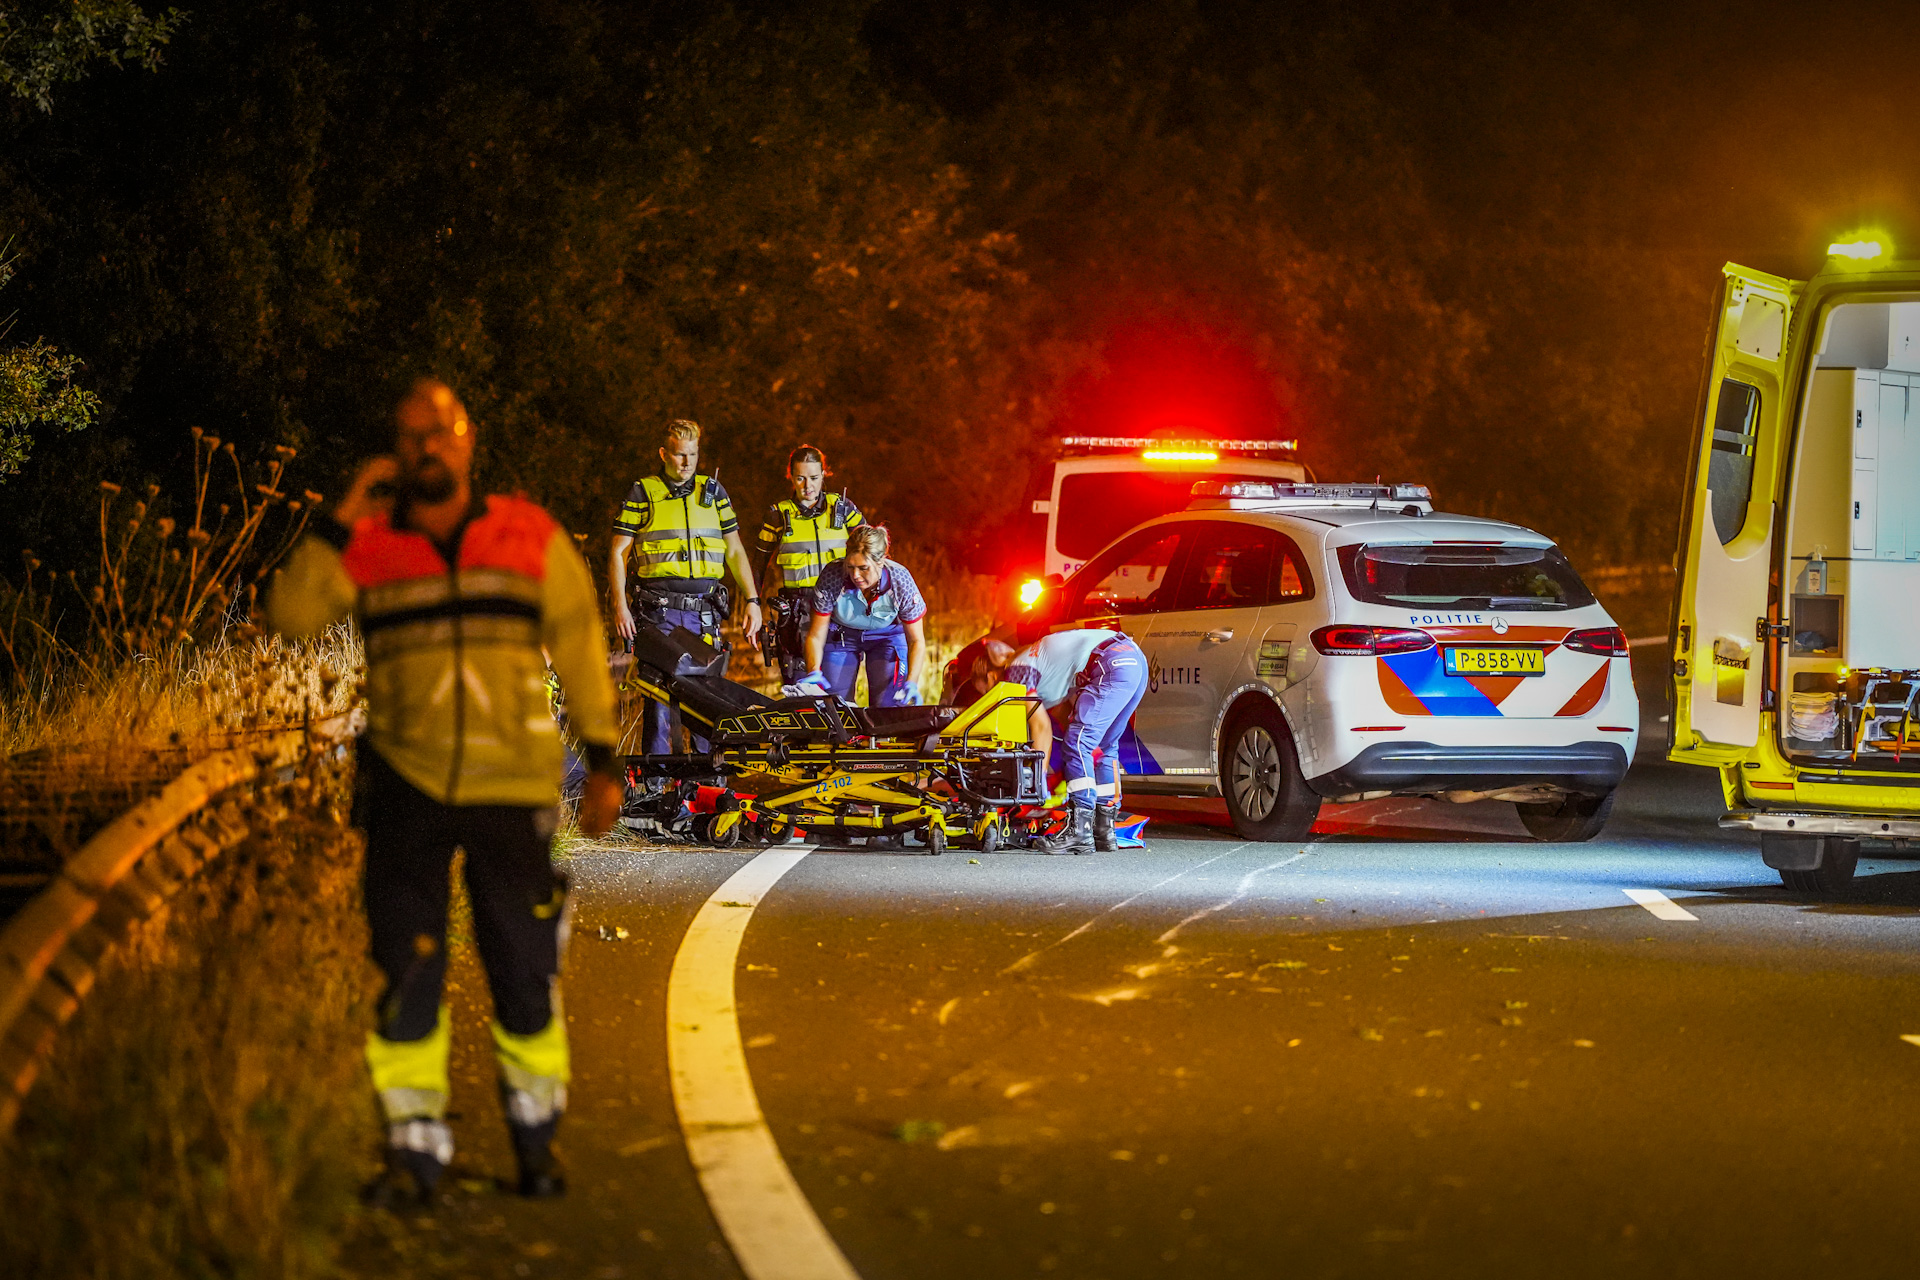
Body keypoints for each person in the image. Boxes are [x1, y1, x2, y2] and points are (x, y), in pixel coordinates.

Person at [267, 379, 623, 1203]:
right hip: (406, 788)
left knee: (523, 970)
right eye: (411, 433)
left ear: (468, 441)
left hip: (512, 790)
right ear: (397, 447)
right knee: (408, 971)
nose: (428, 445)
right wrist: (342, 514)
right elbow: (287, 616)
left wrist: (603, 762)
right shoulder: (367, 546)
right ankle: (412, 1153)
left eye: (442, 430)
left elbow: (577, 640)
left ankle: (536, 1144)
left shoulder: (524, 534)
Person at [608, 418, 763, 754]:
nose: (687, 463)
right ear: (664, 453)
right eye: (679, 455)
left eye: (692, 455)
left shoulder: (714, 492)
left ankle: (706, 781)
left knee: (707, 699)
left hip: (704, 613)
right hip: (659, 611)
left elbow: (735, 550)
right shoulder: (644, 491)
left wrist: (752, 600)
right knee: (661, 699)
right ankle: (659, 784)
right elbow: (619, 551)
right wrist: (619, 605)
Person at [1006, 627, 1148, 854]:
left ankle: (1080, 832)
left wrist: (1037, 786)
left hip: (1111, 663)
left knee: (1078, 742)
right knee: (1104, 746)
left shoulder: (1016, 670)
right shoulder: (1049, 667)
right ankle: (1104, 829)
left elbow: (1042, 728)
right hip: (1134, 661)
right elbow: (1065, 719)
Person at [756, 444, 863, 683]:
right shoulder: (777, 515)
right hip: (797, 616)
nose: (808, 486)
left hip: (841, 610)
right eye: (800, 478)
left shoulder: (843, 509)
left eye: (814, 478)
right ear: (791, 477)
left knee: (840, 695)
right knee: (802, 693)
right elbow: (758, 565)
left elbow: (872, 553)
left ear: (824, 474)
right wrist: (753, 605)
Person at [802, 524, 927, 707]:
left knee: (887, 708)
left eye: (863, 568)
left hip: (887, 637)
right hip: (842, 636)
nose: (856, 575)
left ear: (881, 561)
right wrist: (813, 671)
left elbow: (917, 640)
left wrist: (912, 682)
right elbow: (815, 634)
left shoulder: (900, 580)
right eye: (850, 567)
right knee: (835, 706)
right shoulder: (833, 575)